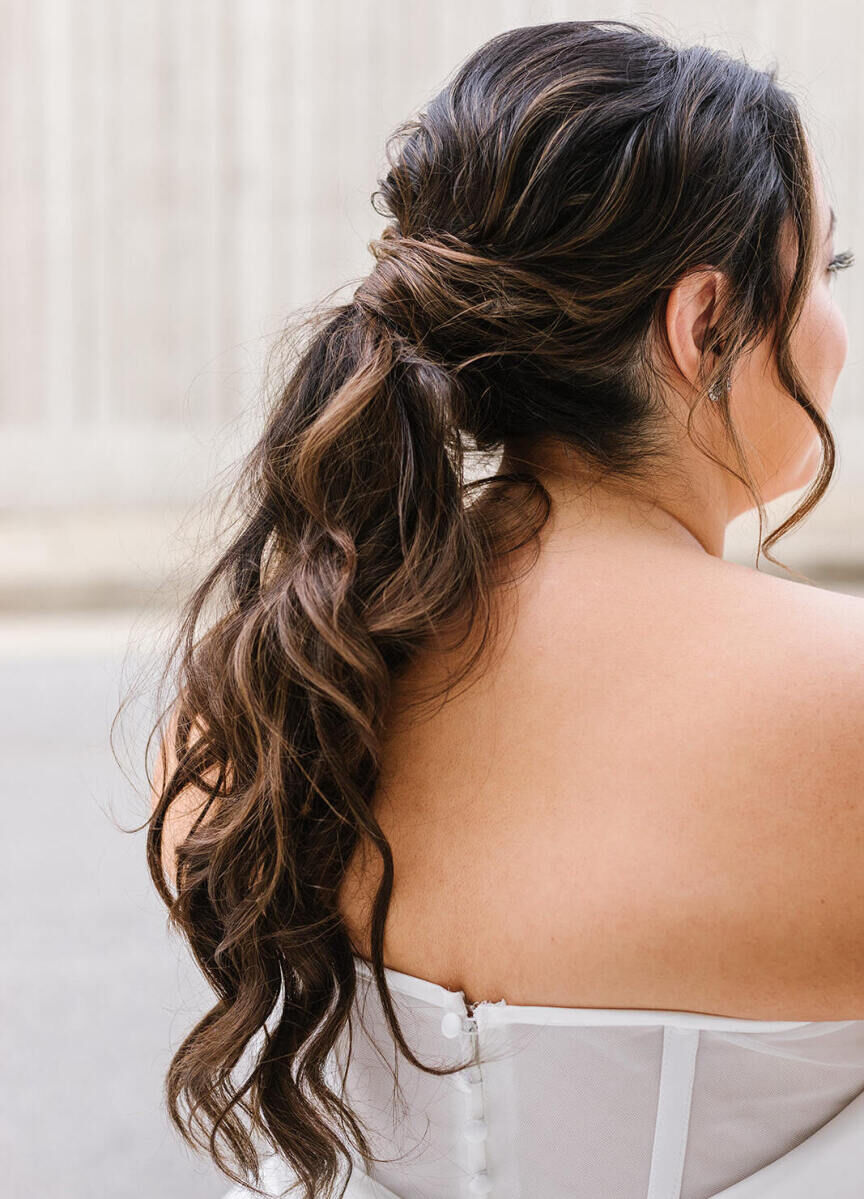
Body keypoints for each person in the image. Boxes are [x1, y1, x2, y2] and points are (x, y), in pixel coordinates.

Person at [147, 19, 864, 1199]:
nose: (837, 332)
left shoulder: (273, 682)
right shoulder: (843, 703)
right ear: (703, 326)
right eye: (825, 273)